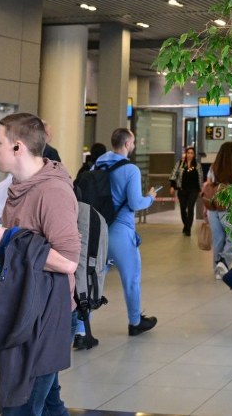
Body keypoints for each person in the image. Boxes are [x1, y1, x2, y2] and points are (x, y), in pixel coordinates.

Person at [0, 113, 80, 416]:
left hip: (45, 315)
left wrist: (9, 238)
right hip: (24, 305)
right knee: (48, 405)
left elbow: (68, 262)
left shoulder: (53, 192)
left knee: (20, 407)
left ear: (18, 147)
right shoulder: (17, 187)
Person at [76, 128, 156, 344]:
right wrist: (150, 198)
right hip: (120, 231)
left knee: (93, 279)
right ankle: (135, 322)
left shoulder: (99, 163)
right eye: (133, 142)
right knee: (131, 279)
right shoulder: (131, 169)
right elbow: (135, 203)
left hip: (97, 229)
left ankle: (81, 331)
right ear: (127, 144)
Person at [204, 142, 232, 279]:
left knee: (218, 239)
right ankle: (224, 262)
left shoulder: (214, 166)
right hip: (230, 206)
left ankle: (218, 270)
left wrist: (205, 209)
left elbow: (207, 187)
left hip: (213, 207)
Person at [169, 146, 203, 236]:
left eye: (192, 153)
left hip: (193, 190)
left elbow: (200, 178)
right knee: (183, 209)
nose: (190, 155)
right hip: (182, 190)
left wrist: (201, 189)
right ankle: (186, 225)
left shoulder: (197, 165)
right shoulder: (180, 163)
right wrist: (172, 186)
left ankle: (188, 229)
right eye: (188, 153)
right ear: (186, 154)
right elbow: (173, 174)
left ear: (194, 155)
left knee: (191, 208)